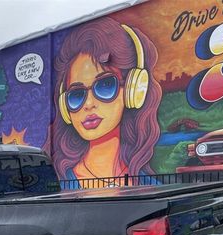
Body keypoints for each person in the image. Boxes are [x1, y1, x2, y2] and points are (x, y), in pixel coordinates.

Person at [46, 18, 162, 188]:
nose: (88, 104)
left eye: (105, 85)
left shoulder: (150, 186)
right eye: (76, 94)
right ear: (65, 107)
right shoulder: (58, 185)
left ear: (133, 89)